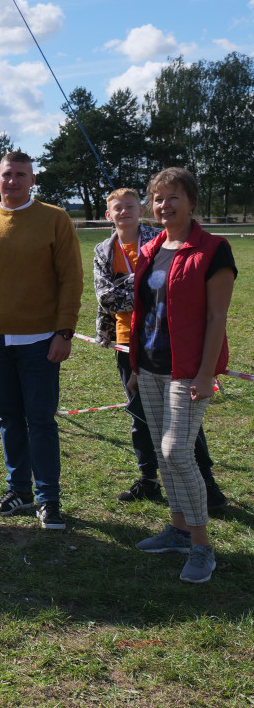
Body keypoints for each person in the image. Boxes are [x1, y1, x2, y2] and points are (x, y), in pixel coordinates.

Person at [0, 151, 83, 530]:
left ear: (33, 180)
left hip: (42, 341)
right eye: (8, 175)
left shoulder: (55, 219)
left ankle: (48, 499)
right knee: (9, 418)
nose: (14, 181)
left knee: (40, 421)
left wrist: (64, 332)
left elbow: (70, 280)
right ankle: (19, 491)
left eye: (21, 175)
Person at [127, 167, 236, 584]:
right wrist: (136, 366)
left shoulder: (213, 249)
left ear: (191, 202)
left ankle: (202, 546)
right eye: (157, 198)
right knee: (160, 449)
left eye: (173, 197)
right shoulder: (153, 248)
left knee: (176, 452)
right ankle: (176, 530)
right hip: (151, 367)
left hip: (188, 371)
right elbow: (144, 313)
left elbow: (217, 317)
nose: (164, 205)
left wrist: (206, 374)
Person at [93, 188, 227, 509]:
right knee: (141, 415)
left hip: (168, 343)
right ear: (108, 214)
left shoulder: (160, 238)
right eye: (117, 208)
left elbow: (167, 289)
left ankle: (206, 483)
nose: (124, 212)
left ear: (141, 210)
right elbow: (108, 299)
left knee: (182, 419)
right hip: (128, 344)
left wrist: (137, 283)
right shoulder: (103, 249)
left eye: (130, 206)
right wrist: (144, 282)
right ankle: (149, 480)